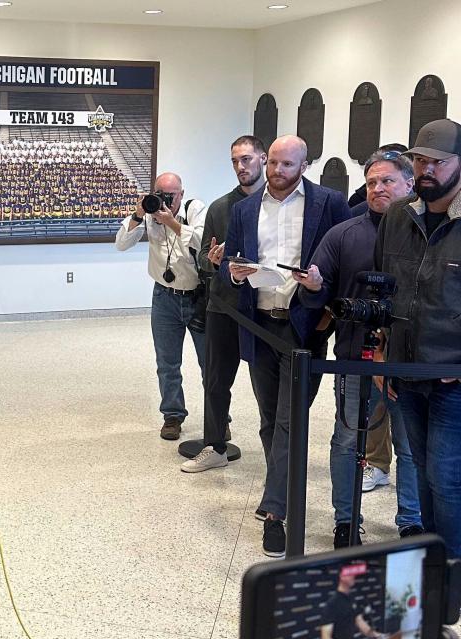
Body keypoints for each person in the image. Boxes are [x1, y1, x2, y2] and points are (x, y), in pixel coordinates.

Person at [220, 135, 351, 557]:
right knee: (266, 417)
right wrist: (236, 273)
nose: (277, 172)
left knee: (288, 420)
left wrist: (319, 286)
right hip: (259, 324)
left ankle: (276, 512)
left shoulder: (328, 203)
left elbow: (342, 266)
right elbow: (227, 265)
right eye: (273, 163)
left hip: (303, 329)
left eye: (287, 165)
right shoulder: (244, 209)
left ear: (305, 165)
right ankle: (280, 484)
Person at [293, 151, 423, 547]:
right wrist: (312, 286)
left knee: (411, 446)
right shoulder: (343, 234)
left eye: (387, 181)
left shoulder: (426, 235)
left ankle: (412, 521)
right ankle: (346, 521)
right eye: (371, 183)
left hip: (409, 363)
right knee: (347, 441)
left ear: (409, 184)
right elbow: (318, 294)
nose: (378, 189)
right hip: (354, 359)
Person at [375, 118, 461, 559]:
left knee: (446, 478)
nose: (427, 169)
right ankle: (431, 560)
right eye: (420, 160)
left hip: (452, 381)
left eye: (438, 162)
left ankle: (451, 571)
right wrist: (379, 351)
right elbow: (382, 287)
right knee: (423, 471)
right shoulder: (398, 217)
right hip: (404, 372)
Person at [181, 136, 267, 472]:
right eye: (235, 161)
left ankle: (275, 449)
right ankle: (215, 445)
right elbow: (202, 257)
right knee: (216, 380)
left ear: (262, 159)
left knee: (266, 384)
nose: (241, 167)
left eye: (246, 159)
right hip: (223, 306)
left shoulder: (277, 206)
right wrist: (212, 261)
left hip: (263, 308)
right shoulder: (219, 208)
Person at [116, 172, 207, 440]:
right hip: (164, 298)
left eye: (171, 195)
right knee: (167, 363)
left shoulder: (195, 209)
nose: (166, 200)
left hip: (198, 297)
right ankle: (172, 416)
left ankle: (219, 417)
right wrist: (137, 214)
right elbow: (121, 244)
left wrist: (172, 222)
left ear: (181, 193)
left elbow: (202, 242)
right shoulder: (148, 212)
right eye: (160, 194)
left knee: (210, 363)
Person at [320, 564, 383, 639]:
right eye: (350, 573)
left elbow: (360, 622)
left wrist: (376, 635)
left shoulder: (351, 599)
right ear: (342, 576)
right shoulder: (332, 603)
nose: (353, 576)